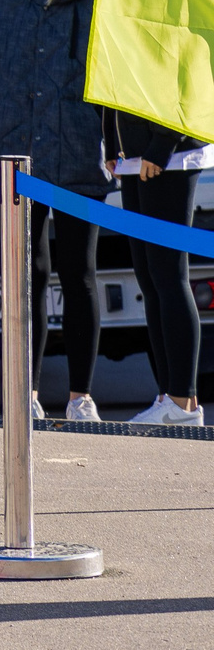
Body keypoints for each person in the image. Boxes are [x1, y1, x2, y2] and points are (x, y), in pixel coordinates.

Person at [0, 0, 114, 422]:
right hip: (13, 156)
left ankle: (80, 397)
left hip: (78, 155)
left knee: (79, 275)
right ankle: (24, 393)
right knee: (25, 276)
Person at [112, 106, 208, 425]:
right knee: (151, 283)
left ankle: (182, 402)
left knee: (170, 278)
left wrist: (163, 144)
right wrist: (112, 139)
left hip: (170, 156)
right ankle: (169, 398)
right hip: (134, 155)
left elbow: (185, 82)